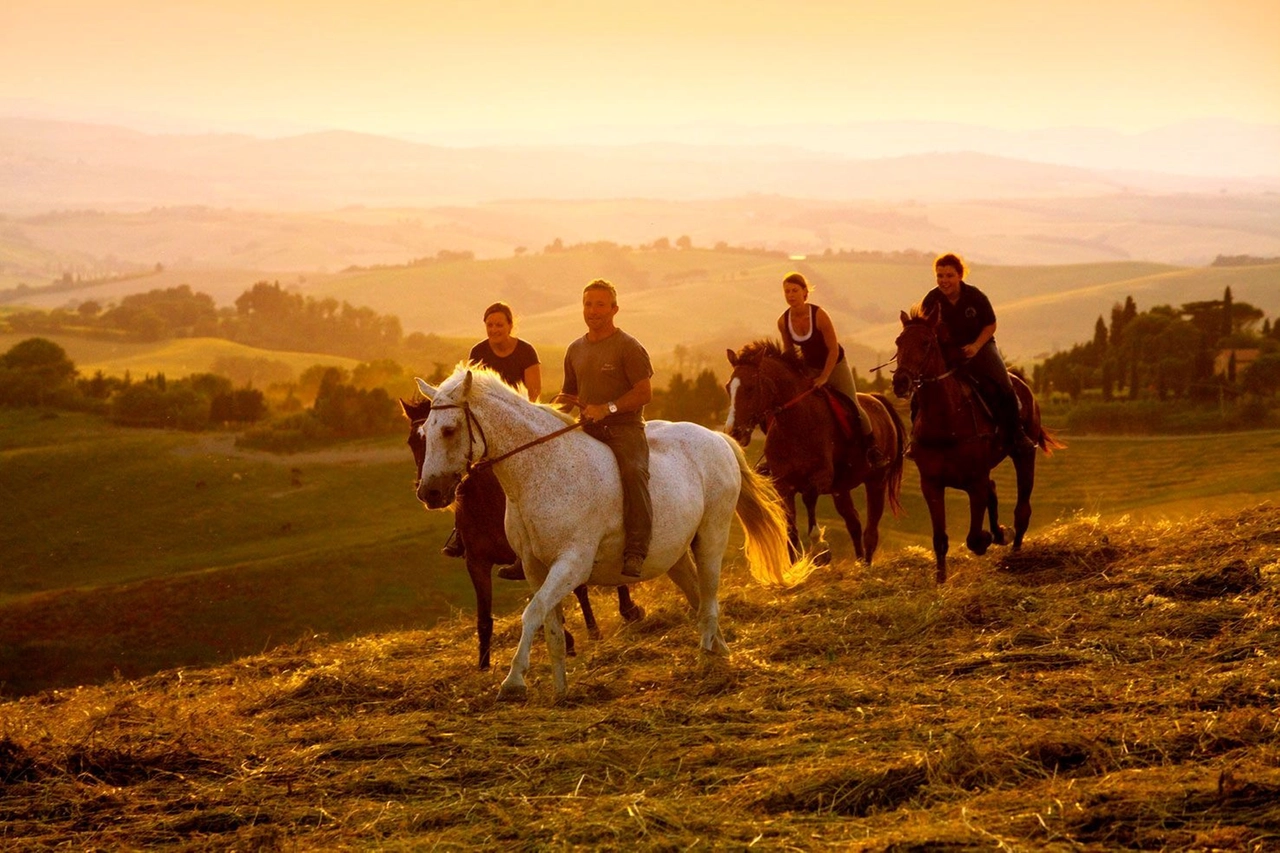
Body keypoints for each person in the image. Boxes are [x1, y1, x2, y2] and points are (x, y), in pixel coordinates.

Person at [554, 279, 653, 578]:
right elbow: (568, 396)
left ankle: (636, 549)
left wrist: (607, 408)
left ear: (614, 309)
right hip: (587, 429)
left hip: (624, 429)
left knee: (634, 473)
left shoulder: (628, 346)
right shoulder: (574, 349)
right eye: (587, 304)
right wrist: (545, 414)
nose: (592, 310)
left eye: (600, 304)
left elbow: (644, 392)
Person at [442, 302, 542, 567]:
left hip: (518, 423)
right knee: (466, 470)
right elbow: (469, 389)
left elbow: (534, 393)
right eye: (490, 325)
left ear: (510, 326)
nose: (494, 329)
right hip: (486, 426)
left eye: (500, 324)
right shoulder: (478, 351)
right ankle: (460, 534)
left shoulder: (526, 351)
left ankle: (537, 535)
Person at [919, 253, 1037, 455]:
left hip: (980, 348)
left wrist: (975, 346)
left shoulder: (975, 297)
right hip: (947, 353)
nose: (944, 281)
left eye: (949, 276)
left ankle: (1017, 433)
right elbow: (926, 330)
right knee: (922, 385)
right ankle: (918, 438)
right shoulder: (931, 300)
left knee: (1003, 382)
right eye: (940, 276)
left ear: (960, 275)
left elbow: (991, 325)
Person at [777, 272, 886, 468]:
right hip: (809, 368)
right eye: (787, 291)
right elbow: (789, 354)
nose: (791, 295)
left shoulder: (819, 315)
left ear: (805, 293)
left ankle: (872, 448)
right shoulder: (783, 322)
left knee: (853, 405)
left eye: (795, 290)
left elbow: (833, 349)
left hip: (835, 365)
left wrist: (825, 377)